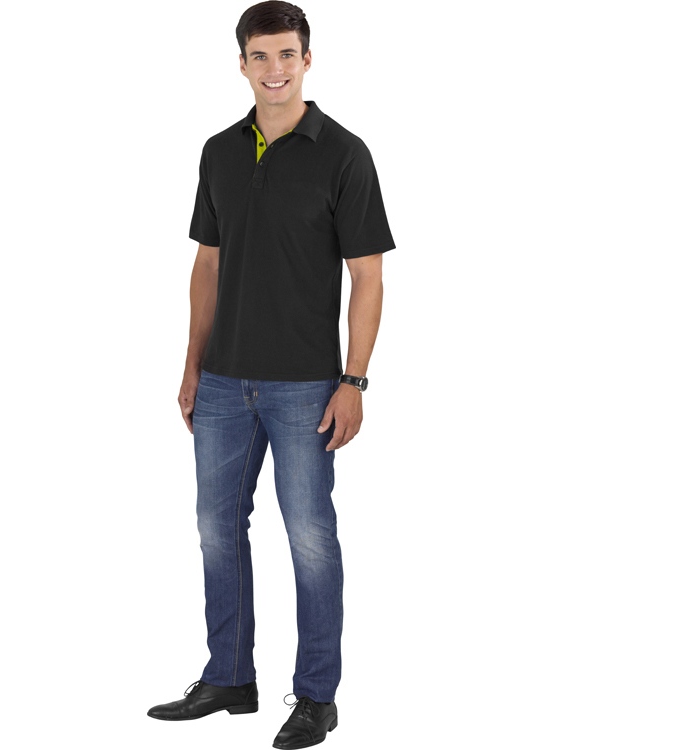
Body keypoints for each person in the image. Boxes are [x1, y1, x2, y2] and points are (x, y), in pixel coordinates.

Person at [147, 2, 395, 747]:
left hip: (305, 388)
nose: (275, 69)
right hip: (224, 383)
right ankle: (229, 677)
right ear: (242, 64)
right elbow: (207, 265)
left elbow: (368, 277)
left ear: (307, 60)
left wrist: (354, 382)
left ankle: (317, 696)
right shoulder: (219, 151)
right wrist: (192, 364)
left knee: (311, 537)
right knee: (216, 529)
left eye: (287, 54)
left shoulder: (344, 154)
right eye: (261, 56)